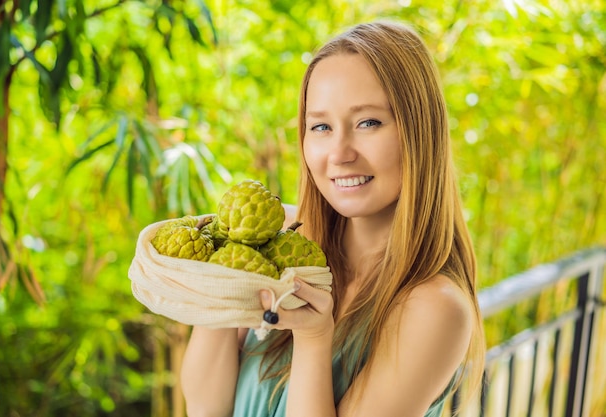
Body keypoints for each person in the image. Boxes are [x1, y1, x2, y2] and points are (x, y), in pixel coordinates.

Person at [181, 20, 486, 417]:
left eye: (368, 123)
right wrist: (224, 269)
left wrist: (312, 337)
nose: (339, 153)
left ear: (418, 131)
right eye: (321, 126)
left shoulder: (434, 308)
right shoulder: (285, 239)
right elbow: (206, 409)